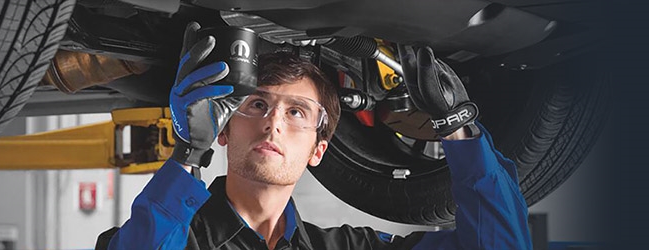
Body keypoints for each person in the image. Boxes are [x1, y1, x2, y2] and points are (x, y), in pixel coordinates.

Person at [96, 22, 531, 249]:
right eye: (257, 105)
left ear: (319, 150)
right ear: (224, 130)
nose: (273, 123)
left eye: (297, 112)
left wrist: (457, 128)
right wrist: (188, 153)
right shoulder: (170, 238)